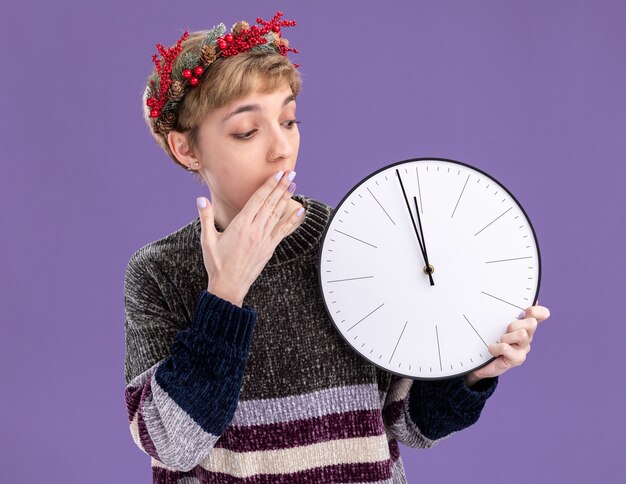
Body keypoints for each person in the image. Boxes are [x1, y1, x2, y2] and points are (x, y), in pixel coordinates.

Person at [124, 10, 551, 483]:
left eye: (288, 120)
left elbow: (409, 422)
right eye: (247, 131)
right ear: (187, 149)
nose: (281, 148)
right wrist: (225, 295)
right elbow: (168, 444)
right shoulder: (159, 272)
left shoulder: (356, 238)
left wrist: (474, 371)